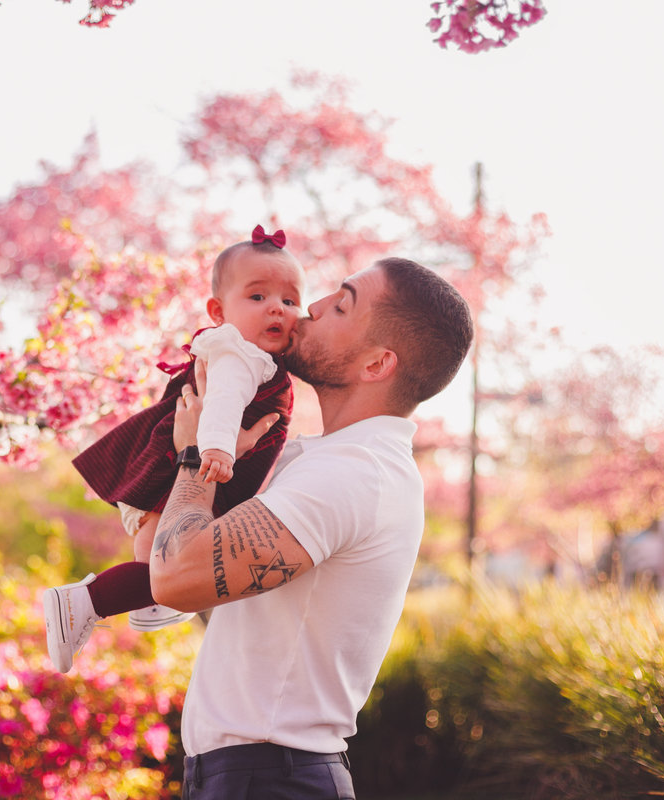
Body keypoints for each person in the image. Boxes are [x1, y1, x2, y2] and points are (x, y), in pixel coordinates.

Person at [147, 257, 474, 799]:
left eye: (340, 304)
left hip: (270, 780)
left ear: (377, 364)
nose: (311, 307)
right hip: (257, 774)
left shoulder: (354, 473)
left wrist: (194, 451)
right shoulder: (331, 461)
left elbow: (176, 577)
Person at [42, 226, 306, 673]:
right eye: (258, 297)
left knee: (156, 553)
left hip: (191, 464)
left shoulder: (254, 357)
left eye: (290, 300)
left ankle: (152, 605)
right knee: (167, 559)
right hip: (203, 463)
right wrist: (218, 450)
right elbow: (220, 403)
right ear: (219, 312)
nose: (277, 308)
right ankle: (81, 603)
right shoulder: (240, 357)